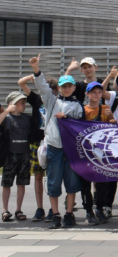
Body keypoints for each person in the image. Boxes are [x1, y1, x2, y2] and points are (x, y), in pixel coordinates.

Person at [30, 55, 84, 230]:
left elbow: (80, 127)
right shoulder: (51, 101)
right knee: (53, 182)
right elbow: (42, 86)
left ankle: (69, 214)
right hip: (54, 148)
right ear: (59, 88)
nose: (66, 89)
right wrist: (36, 69)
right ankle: (55, 214)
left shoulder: (78, 105)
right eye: (63, 86)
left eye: (69, 86)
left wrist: (67, 118)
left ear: (74, 87)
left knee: (71, 182)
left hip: (71, 150)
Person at [82, 81, 116, 224]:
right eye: (93, 92)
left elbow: (114, 125)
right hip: (86, 153)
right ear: (87, 94)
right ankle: (88, 211)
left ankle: (99, 208)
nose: (96, 95)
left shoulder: (105, 108)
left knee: (102, 183)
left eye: (99, 92)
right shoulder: (83, 110)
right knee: (85, 184)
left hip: (102, 153)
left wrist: (111, 118)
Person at [16, 73, 46, 221]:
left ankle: (54, 210)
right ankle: (40, 208)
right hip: (36, 141)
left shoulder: (55, 100)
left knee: (54, 177)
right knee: (38, 176)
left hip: (52, 141)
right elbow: (21, 83)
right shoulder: (36, 99)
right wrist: (31, 77)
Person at [0, 91, 34, 222]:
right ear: (12, 103)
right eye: (21, 103)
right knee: (7, 183)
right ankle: (5, 210)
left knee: (22, 183)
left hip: (24, 154)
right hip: (10, 154)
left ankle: (18, 209)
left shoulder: (27, 118)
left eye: (24, 102)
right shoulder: (7, 118)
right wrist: (7, 111)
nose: (24, 105)